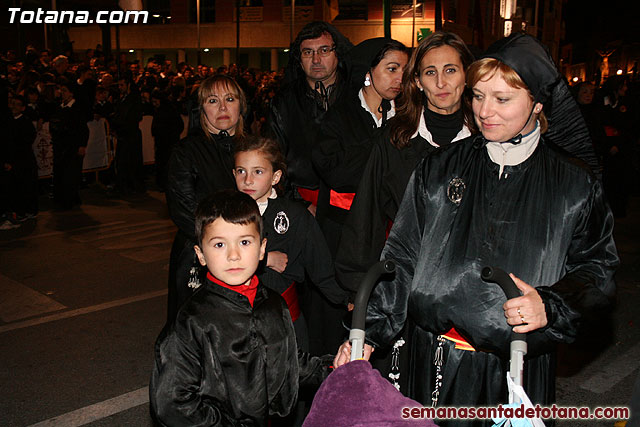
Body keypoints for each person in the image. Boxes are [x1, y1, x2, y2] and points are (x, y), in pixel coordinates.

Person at [334, 32, 618, 424]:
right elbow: (401, 256)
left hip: (514, 366)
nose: (485, 111)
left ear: (536, 102)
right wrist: (368, 334)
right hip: (431, 358)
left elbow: (598, 272)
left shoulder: (573, 184)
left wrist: (551, 305)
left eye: (502, 99)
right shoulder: (438, 168)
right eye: (479, 95)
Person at [150, 190, 332, 426]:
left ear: (262, 248)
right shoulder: (193, 320)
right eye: (219, 244)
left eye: (244, 242)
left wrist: (333, 367)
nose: (233, 255)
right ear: (200, 254)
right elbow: (172, 402)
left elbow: (288, 365)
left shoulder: (273, 304)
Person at [335, 31, 474, 296]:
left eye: (451, 70)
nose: (441, 82)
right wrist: (359, 288)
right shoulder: (395, 139)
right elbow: (368, 213)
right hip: (407, 281)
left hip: (471, 285)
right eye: (430, 73)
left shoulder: (485, 137)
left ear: (466, 75)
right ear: (418, 81)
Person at [233, 135, 349, 352]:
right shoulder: (226, 215)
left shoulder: (294, 216)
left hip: (284, 320)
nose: (248, 180)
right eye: (241, 171)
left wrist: (348, 300)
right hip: (236, 320)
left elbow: (321, 267)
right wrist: (264, 259)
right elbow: (216, 258)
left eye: (258, 172)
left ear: (275, 176)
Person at [313, 37, 409, 255]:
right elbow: (333, 171)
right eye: (392, 69)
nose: (400, 78)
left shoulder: (407, 116)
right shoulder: (339, 116)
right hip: (343, 230)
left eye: (405, 69)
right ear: (368, 72)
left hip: (393, 231)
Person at [165, 74, 247, 323]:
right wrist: (223, 247)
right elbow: (184, 211)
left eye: (230, 99)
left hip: (248, 254)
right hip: (199, 255)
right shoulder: (186, 151)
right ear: (201, 109)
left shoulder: (254, 148)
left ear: (241, 106)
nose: (223, 107)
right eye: (213, 100)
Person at [269, 21, 352, 208]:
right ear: (299, 59)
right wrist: (298, 203)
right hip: (301, 200)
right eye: (308, 52)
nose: (316, 59)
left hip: (353, 202)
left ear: (337, 53)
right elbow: (272, 157)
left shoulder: (358, 96)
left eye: (324, 50)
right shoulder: (283, 101)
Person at [49, 77, 89, 210]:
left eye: (65, 91)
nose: (62, 93)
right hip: (61, 147)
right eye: (61, 90)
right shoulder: (60, 107)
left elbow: (82, 128)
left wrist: (82, 145)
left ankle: (69, 200)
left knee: (70, 174)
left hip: (72, 147)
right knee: (60, 173)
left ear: (71, 93)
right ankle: (61, 197)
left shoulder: (76, 108)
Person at [111, 76, 145, 195]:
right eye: (119, 85)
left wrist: (118, 127)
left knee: (130, 162)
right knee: (122, 162)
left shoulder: (133, 99)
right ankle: (125, 185)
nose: (120, 88)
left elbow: (131, 118)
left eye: (122, 85)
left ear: (128, 85)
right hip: (124, 134)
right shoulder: (123, 99)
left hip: (130, 135)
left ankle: (132, 186)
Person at [150, 89, 183, 192]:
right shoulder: (167, 109)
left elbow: (177, 125)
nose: (154, 104)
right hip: (166, 141)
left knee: (165, 163)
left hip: (166, 142)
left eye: (155, 102)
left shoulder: (167, 110)